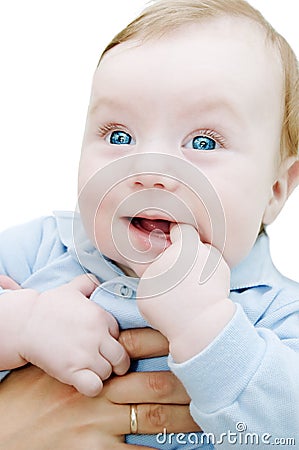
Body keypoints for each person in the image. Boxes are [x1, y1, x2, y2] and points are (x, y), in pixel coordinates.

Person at [0, 0, 298, 448]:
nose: (149, 169)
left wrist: (208, 329)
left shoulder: (278, 316)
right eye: (119, 136)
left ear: (275, 189)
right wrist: (20, 325)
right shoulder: (42, 249)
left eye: (203, 141)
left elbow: (284, 433)